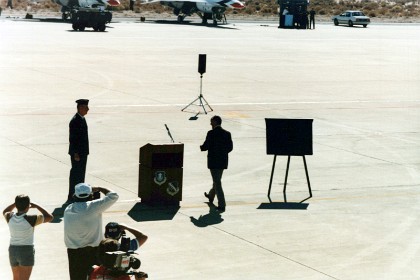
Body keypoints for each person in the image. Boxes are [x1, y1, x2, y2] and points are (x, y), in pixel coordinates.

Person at [64, 183, 119, 280]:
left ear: (74, 196)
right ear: (91, 195)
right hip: (94, 252)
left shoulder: (68, 209)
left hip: (74, 253)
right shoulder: (94, 206)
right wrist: (99, 188)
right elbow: (113, 195)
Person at [3, 195, 53, 280]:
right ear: (28, 207)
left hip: (13, 250)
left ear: (16, 205)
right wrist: (37, 206)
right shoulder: (31, 219)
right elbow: (50, 217)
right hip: (26, 250)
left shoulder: (9, 217)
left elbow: (5, 211)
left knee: (15, 278)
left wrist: (15, 204)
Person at [200, 115, 233, 212]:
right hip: (222, 161)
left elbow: (206, 146)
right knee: (217, 180)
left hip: (213, 161)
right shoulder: (227, 133)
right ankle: (210, 196)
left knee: (217, 182)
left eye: (211, 122)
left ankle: (222, 205)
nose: (210, 124)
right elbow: (230, 148)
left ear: (215, 122)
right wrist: (222, 152)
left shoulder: (211, 133)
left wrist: (201, 147)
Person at [68, 99, 90, 202]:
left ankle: (79, 194)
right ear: (80, 108)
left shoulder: (81, 119)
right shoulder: (75, 121)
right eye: (86, 107)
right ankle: (72, 195)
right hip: (78, 154)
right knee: (76, 175)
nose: (88, 109)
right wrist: (75, 153)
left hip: (82, 152)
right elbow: (73, 139)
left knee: (81, 174)